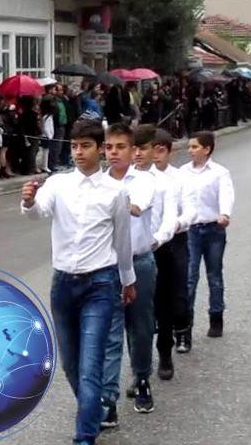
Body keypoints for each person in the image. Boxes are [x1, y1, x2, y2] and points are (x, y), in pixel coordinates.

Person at [21, 119, 135, 445]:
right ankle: (94, 408)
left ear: (100, 149)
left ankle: (84, 436)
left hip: (100, 284)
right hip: (63, 284)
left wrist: (127, 280)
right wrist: (29, 201)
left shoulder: (115, 192)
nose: (79, 152)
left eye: (86, 146)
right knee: (70, 363)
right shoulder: (58, 184)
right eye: (74, 146)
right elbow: (38, 212)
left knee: (90, 364)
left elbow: (122, 241)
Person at [100, 123, 158, 424]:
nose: (114, 153)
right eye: (109, 147)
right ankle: (107, 399)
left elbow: (137, 207)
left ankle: (142, 377)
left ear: (133, 150)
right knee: (109, 333)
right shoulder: (96, 183)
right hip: (107, 266)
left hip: (139, 261)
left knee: (140, 326)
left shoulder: (144, 180)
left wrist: (116, 203)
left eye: (120, 147)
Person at [132, 125, 181, 382]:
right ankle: (139, 370)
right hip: (132, 255)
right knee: (135, 315)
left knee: (163, 306)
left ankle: (165, 352)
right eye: (134, 148)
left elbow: (170, 218)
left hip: (159, 250)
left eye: (143, 148)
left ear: (154, 150)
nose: (138, 154)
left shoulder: (164, 183)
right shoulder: (123, 179)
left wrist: (158, 239)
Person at [178, 130, 234, 342]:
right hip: (191, 230)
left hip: (213, 229)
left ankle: (216, 316)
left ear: (207, 149)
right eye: (190, 146)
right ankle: (186, 323)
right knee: (189, 277)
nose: (190, 150)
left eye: (194, 147)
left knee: (214, 275)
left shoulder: (219, 173)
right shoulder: (183, 172)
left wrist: (225, 213)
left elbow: (226, 194)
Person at [149, 129, 193, 354]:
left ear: (170, 152)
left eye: (160, 151)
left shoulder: (180, 178)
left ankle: (183, 328)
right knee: (155, 289)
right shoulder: (142, 178)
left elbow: (191, 210)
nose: (156, 156)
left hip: (176, 238)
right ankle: (160, 323)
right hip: (151, 242)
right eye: (152, 151)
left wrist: (176, 223)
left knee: (179, 287)